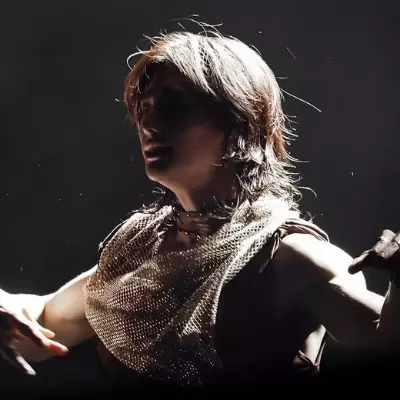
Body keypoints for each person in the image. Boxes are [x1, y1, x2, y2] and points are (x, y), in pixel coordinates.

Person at [0, 29, 399, 393]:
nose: (148, 123)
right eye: (145, 107)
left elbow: (383, 336)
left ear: (241, 121)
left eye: (173, 106)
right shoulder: (139, 246)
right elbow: (47, 322)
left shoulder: (289, 256)